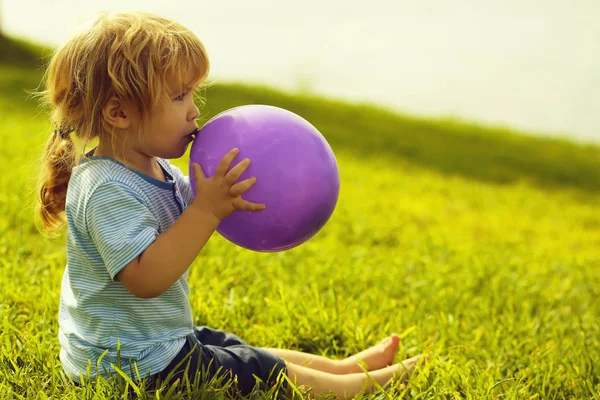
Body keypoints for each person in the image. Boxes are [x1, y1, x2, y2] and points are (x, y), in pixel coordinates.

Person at [36, 11, 424, 398]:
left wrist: (235, 194)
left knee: (229, 346)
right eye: (179, 97)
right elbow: (144, 279)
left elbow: (193, 209)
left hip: (146, 342)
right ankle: (355, 387)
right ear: (119, 112)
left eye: (192, 94)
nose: (194, 110)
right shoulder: (107, 188)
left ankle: (341, 368)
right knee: (253, 369)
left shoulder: (156, 169)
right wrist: (205, 211)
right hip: (128, 367)